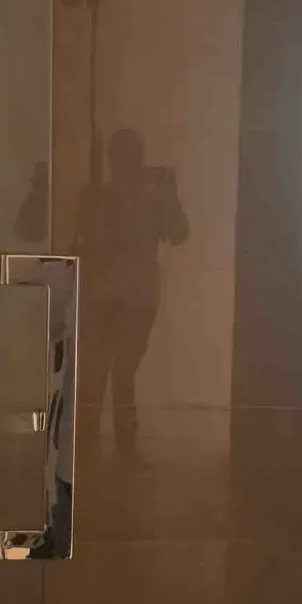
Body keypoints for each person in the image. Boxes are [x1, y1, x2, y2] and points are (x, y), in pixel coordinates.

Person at [73, 128, 188, 459]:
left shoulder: (151, 198)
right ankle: (96, 443)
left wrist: (170, 197)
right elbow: (87, 240)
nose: (128, 164)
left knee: (121, 370)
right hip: (109, 294)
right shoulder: (97, 196)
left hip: (134, 295)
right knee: (100, 371)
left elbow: (177, 233)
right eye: (122, 156)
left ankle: (119, 444)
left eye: (132, 156)